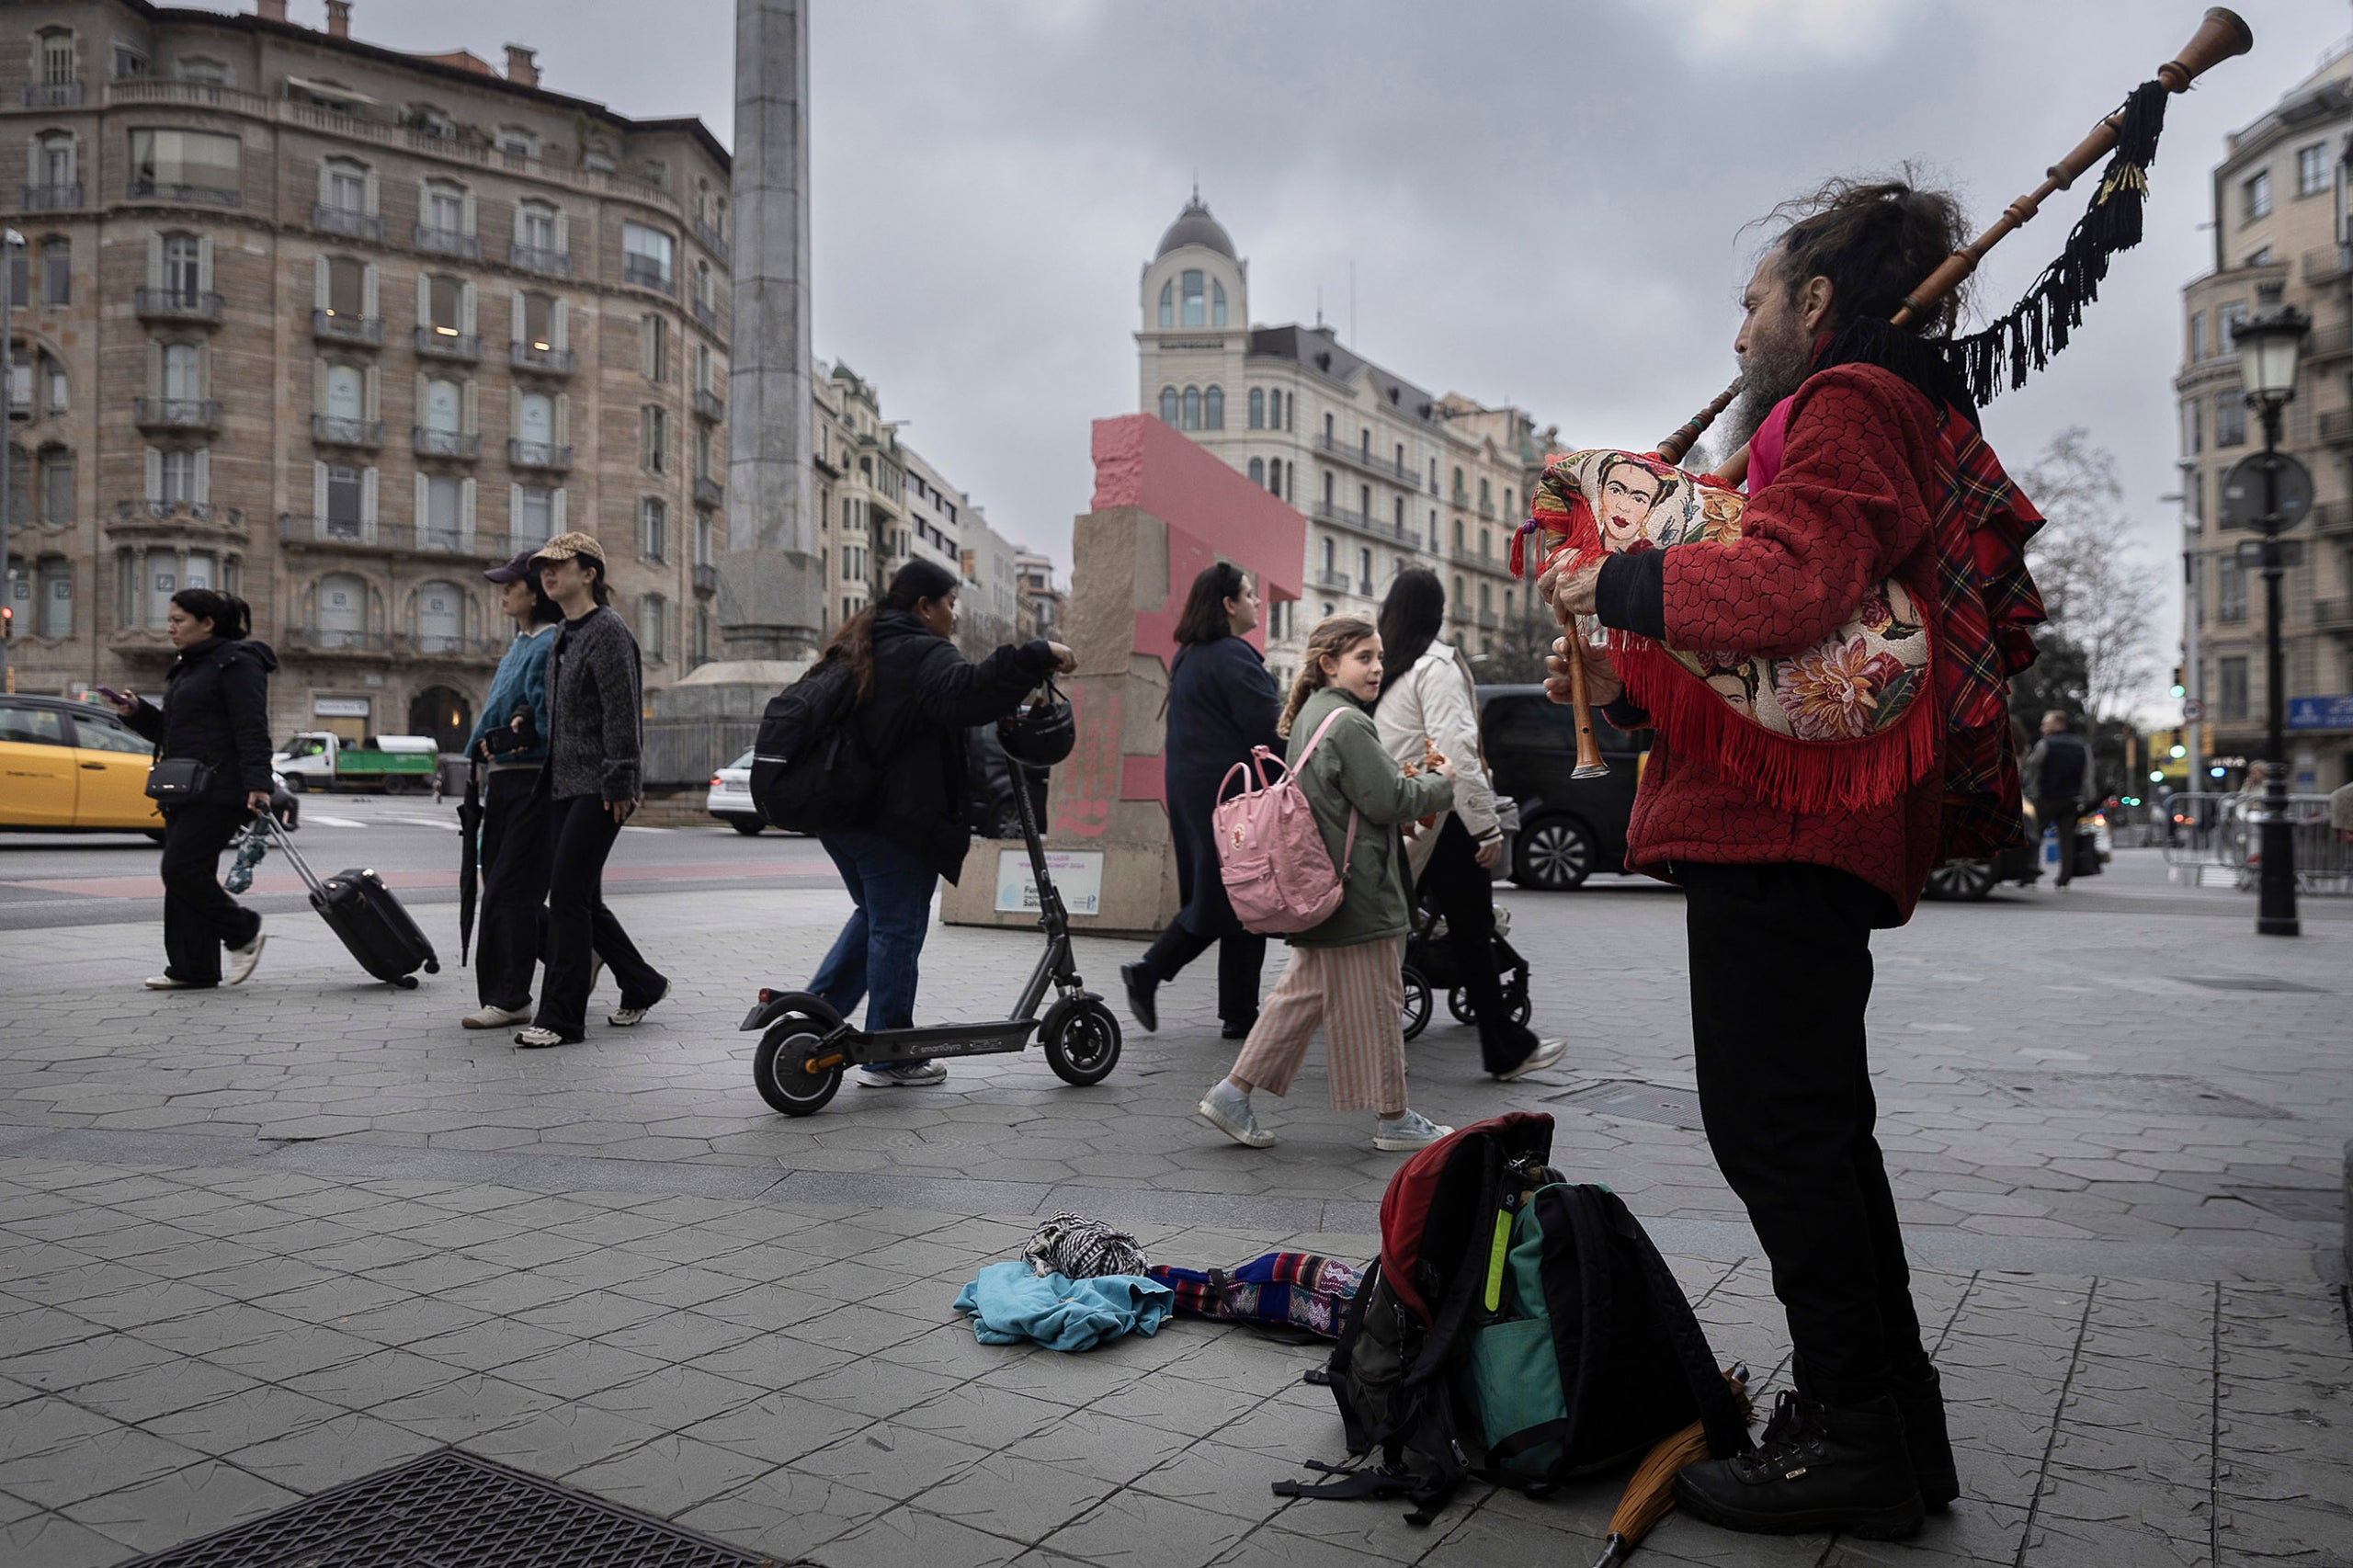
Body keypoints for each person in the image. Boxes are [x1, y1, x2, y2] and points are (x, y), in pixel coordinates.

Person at [1543, 177, 2047, 1537]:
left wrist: (1622, 584)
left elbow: (1794, 583)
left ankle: (1857, 1433)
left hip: (1794, 825)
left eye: (1753, 300)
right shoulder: (1852, 404)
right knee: (1804, 1126)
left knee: (1783, 1129)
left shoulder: (1844, 402)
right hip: (1788, 815)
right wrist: (1638, 662)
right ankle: (1880, 1416)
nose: (1738, 332)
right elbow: (1778, 641)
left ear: (1816, 304)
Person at [808, 559, 1076, 1087]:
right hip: (893, 822)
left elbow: (949, 705)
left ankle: (814, 1018)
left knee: (877, 919)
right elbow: (968, 691)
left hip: (842, 815)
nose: (954, 616)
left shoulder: (859, 646)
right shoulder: (919, 651)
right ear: (923, 607)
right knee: (895, 927)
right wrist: (1035, 654)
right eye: (950, 604)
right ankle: (890, 1054)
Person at [1197, 614, 1459, 1153]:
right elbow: (1387, 800)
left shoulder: (1314, 716)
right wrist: (1441, 784)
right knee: (1382, 1004)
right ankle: (1394, 1117)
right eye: (1364, 657)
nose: (1377, 667)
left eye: (1379, 657)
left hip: (1325, 887)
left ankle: (1231, 1094)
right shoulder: (1348, 723)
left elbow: (1352, 800)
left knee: (1299, 998)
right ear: (1329, 664)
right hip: (1359, 892)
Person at [1372, 568, 1563, 1082]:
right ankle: (1503, 1048)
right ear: (1438, 613)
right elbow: (1454, 748)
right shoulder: (1435, 666)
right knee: (1473, 932)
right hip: (1443, 819)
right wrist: (1486, 827)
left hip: (1400, 817)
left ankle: (1501, 1044)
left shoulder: (1384, 665)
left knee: (1402, 934)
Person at [513, 532, 671, 1049]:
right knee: (580, 895)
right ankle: (642, 981)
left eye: (560, 565)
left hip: (602, 787)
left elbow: (622, 709)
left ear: (589, 574)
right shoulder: (564, 635)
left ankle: (561, 1018)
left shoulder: (608, 631)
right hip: (563, 784)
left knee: (568, 897)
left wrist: (621, 777)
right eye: (543, 568)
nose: (548, 574)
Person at [1122, 562, 1283, 1040]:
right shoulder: (1233, 656)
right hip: (1232, 801)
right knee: (1242, 896)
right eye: (1250, 594)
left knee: (1232, 901)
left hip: (1198, 796)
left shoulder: (1191, 655)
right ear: (1228, 604)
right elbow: (1269, 731)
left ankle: (1237, 1014)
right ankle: (1151, 970)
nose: (1258, 602)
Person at [110, 588, 275, 990]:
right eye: (169, 620)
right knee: (188, 875)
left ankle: (244, 931)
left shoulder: (237, 664)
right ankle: (192, 969)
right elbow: (174, 730)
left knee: (180, 870)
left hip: (222, 787)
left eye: (178, 620)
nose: (170, 628)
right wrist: (139, 714)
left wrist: (258, 784)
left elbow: (251, 726)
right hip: (185, 785)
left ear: (207, 623)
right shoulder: (189, 666)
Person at [460, 551, 560, 1028]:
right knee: (500, 886)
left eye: (510, 586)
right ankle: (612, 962)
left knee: (506, 892)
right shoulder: (522, 641)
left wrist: (513, 733)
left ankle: (511, 996)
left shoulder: (545, 644)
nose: (502, 593)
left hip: (529, 778)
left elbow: (546, 723)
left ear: (535, 592)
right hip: (502, 778)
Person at [2023, 710, 2089, 891]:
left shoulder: (2045, 744)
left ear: (2058, 724)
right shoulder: (2081, 745)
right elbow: (2087, 774)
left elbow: (2032, 768)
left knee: (2035, 836)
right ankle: (2063, 879)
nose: (2042, 726)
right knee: (2067, 840)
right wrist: (2085, 797)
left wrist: (2031, 791)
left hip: (2047, 798)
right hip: (2071, 799)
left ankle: (2030, 875)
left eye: (2046, 723)